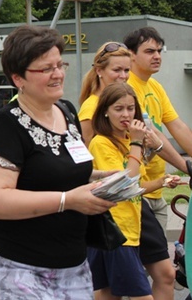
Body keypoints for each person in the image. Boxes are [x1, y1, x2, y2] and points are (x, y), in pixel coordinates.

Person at [0, 25, 115, 299]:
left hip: (72, 264)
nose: (59, 74)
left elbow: (58, 172)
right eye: (46, 69)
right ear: (18, 78)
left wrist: (98, 180)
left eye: (59, 64)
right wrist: (68, 200)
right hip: (16, 265)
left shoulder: (67, 111)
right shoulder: (6, 124)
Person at [87, 82, 181, 300]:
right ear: (105, 112)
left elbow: (136, 187)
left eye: (130, 109)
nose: (126, 115)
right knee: (140, 295)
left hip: (129, 230)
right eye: (118, 109)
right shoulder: (102, 143)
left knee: (109, 293)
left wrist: (162, 181)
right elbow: (125, 183)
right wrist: (138, 143)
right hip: (115, 231)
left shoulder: (127, 140)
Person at [124, 26, 192, 299]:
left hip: (156, 192)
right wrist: (187, 167)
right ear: (131, 55)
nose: (157, 56)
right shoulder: (126, 89)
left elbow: (177, 126)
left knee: (161, 273)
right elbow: (153, 139)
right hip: (133, 193)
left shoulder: (155, 86)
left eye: (159, 51)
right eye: (149, 51)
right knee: (138, 273)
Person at [78, 41, 189, 171]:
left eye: (126, 70)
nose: (123, 76)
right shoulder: (91, 108)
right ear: (99, 70)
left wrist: (187, 168)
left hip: (140, 185)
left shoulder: (124, 100)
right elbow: (82, 162)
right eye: (117, 70)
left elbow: (154, 136)